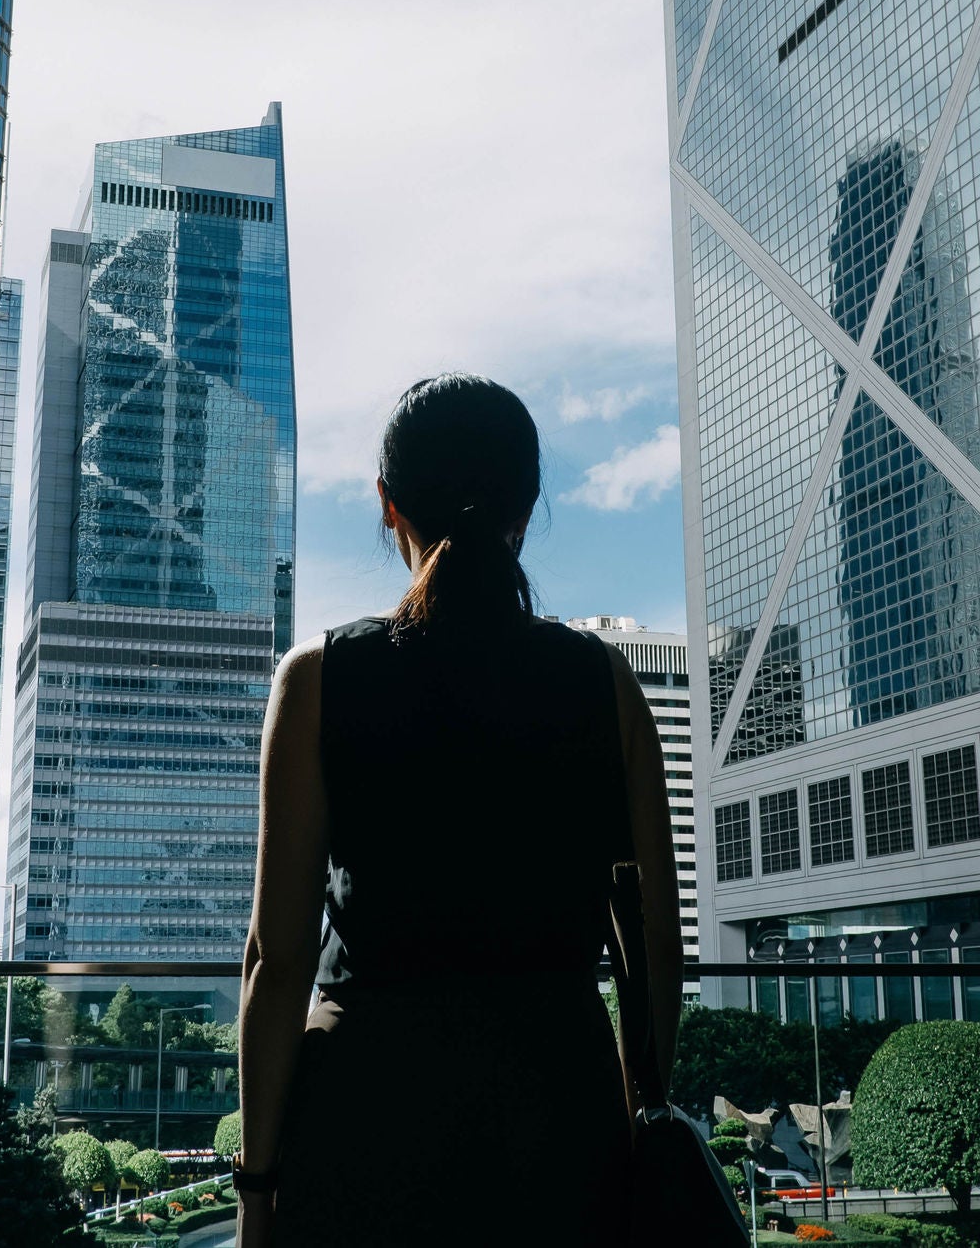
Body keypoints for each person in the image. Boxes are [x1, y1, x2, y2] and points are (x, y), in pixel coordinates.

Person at [233, 374, 682, 1248]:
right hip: (559, 1122)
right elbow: (655, 951)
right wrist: (634, 1118)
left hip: (368, 1125)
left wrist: (256, 1188)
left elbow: (276, 961)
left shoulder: (318, 680)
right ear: (527, 510)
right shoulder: (608, 687)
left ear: (387, 505)